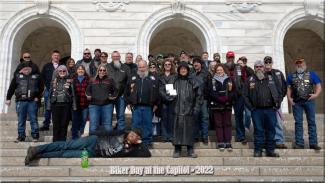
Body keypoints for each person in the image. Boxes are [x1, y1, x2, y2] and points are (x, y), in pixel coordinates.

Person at [24, 129, 151, 166]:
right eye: (132, 133)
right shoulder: (121, 133)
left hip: (92, 154)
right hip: (93, 141)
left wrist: (139, 143)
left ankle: (38, 155)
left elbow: (147, 154)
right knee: (66, 145)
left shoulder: (132, 150)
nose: (132, 136)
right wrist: (91, 134)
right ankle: (37, 149)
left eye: (135, 136)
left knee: (64, 154)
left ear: (137, 139)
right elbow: (106, 132)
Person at [243, 60, 280, 157]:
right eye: (257, 67)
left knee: (271, 130)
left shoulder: (271, 78)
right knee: (258, 130)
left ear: (264, 68)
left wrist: (277, 104)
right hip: (257, 110)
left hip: (270, 109)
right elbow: (245, 96)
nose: (259, 68)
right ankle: (258, 150)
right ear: (254, 68)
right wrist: (251, 108)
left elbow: (279, 91)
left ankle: (270, 150)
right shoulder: (249, 79)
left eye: (261, 66)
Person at [287, 57, 322, 150]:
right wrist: (289, 99)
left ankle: (313, 143)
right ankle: (299, 143)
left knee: (311, 122)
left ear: (304, 64)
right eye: (297, 63)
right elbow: (289, 88)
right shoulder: (291, 76)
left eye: (301, 63)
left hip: (309, 101)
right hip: (297, 103)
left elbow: (318, 85)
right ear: (295, 65)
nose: (299, 65)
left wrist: (316, 94)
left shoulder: (312, 74)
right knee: (298, 122)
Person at [6, 62, 43, 142]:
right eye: (24, 68)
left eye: (28, 68)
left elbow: (41, 88)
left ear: (31, 69)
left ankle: (35, 136)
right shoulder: (17, 77)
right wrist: (8, 98)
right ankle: (21, 136)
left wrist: (38, 97)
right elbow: (11, 88)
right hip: (20, 101)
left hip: (32, 101)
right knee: (21, 120)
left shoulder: (36, 77)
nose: (26, 69)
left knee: (33, 119)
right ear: (21, 69)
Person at [126, 60, 159, 148]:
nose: (142, 69)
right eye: (140, 67)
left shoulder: (153, 78)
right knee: (136, 124)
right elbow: (127, 91)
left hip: (148, 106)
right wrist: (128, 102)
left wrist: (156, 104)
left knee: (147, 124)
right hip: (136, 106)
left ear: (147, 67)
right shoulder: (133, 77)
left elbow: (157, 92)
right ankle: (135, 142)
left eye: (143, 67)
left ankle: (147, 142)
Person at [172, 62, 201, 158]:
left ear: (188, 70)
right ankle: (177, 149)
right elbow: (168, 93)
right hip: (177, 108)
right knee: (178, 129)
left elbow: (199, 95)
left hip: (190, 109)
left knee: (189, 130)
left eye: (185, 69)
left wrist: (196, 107)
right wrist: (169, 97)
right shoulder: (174, 81)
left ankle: (190, 150)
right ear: (179, 70)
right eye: (181, 69)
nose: (183, 70)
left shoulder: (193, 81)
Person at [206, 64, 235, 150]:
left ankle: (228, 142)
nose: (219, 71)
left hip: (227, 104)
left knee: (227, 124)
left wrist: (227, 98)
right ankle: (220, 142)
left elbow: (233, 91)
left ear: (224, 70)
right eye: (217, 70)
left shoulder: (229, 79)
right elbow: (210, 92)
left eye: (221, 70)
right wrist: (219, 98)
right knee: (218, 124)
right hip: (216, 105)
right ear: (215, 71)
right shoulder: (212, 80)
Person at [47, 65, 76, 142]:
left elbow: (73, 94)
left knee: (64, 124)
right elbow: (50, 94)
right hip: (55, 104)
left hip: (66, 104)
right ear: (57, 72)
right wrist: (48, 106)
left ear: (66, 72)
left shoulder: (70, 81)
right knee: (56, 124)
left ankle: (62, 142)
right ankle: (55, 143)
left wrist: (74, 106)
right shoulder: (53, 81)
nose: (62, 72)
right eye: (60, 71)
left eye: (64, 71)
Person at [224, 51, 248, 144]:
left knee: (239, 116)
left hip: (238, 95)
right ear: (226, 58)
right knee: (226, 117)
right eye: (229, 57)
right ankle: (227, 137)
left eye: (232, 57)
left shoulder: (240, 68)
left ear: (234, 58)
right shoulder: (222, 67)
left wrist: (243, 92)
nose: (230, 59)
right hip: (226, 95)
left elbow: (245, 80)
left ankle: (241, 136)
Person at [264, 56, 287, 149]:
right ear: (264, 63)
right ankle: (268, 141)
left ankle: (279, 141)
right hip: (265, 103)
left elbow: (284, 87)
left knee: (278, 122)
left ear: (272, 63)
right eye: (266, 62)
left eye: (269, 62)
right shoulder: (261, 74)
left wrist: (280, 99)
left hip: (276, 102)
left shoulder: (278, 73)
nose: (268, 64)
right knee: (267, 123)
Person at [86, 64, 117, 134]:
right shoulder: (92, 80)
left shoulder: (110, 80)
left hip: (107, 105)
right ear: (98, 71)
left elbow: (115, 90)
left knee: (107, 126)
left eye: (104, 70)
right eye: (100, 70)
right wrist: (88, 95)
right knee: (93, 126)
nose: (102, 71)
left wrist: (112, 96)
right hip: (94, 105)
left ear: (106, 71)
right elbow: (87, 90)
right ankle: (94, 144)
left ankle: (108, 144)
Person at [40, 50, 63, 131]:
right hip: (48, 90)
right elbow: (42, 77)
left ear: (59, 57)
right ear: (52, 56)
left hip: (60, 90)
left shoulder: (62, 66)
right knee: (48, 107)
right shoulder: (47, 66)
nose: (56, 57)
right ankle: (46, 124)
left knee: (58, 107)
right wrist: (46, 85)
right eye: (54, 55)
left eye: (57, 55)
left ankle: (57, 125)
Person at [107, 51, 130, 131]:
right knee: (108, 117)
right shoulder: (107, 67)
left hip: (121, 96)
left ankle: (120, 137)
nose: (116, 58)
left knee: (120, 117)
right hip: (109, 97)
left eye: (117, 56)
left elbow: (129, 82)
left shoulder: (125, 68)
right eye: (114, 56)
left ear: (120, 57)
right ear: (111, 57)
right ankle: (108, 137)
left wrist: (125, 94)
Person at [159, 58, 177, 142]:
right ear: (163, 66)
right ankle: (164, 136)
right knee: (164, 118)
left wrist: (172, 97)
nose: (167, 66)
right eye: (165, 64)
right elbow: (160, 89)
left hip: (173, 100)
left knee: (172, 118)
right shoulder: (160, 76)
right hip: (163, 100)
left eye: (169, 64)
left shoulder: (175, 76)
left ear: (171, 65)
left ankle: (171, 136)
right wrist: (166, 97)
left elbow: (176, 87)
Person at [191, 58, 209, 144]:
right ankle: (196, 136)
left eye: (197, 63)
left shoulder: (206, 74)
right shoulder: (192, 75)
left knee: (205, 118)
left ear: (201, 64)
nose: (195, 64)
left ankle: (205, 136)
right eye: (194, 63)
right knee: (195, 118)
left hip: (204, 99)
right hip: (195, 100)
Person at [71, 65, 90, 139]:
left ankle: (82, 136)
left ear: (84, 71)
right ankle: (74, 137)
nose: (80, 70)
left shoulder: (88, 80)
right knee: (75, 121)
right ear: (76, 71)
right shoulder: (73, 80)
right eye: (79, 69)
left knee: (84, 121)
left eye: (82, 69)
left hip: (85, 104)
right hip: (75, 104)